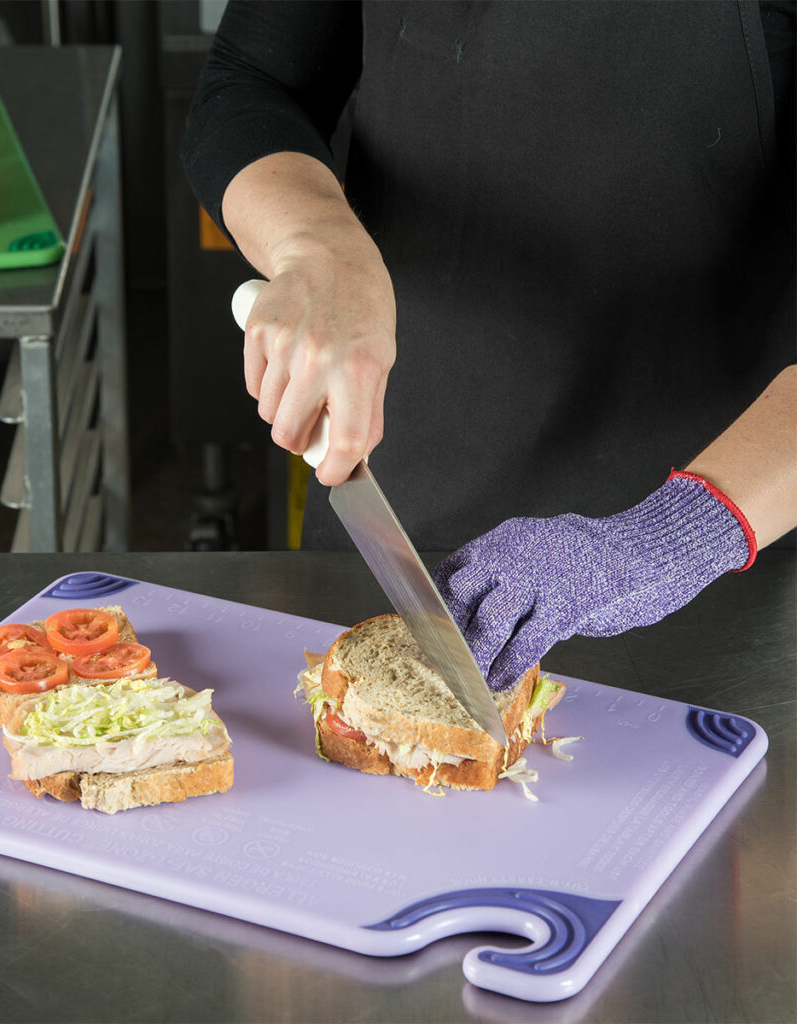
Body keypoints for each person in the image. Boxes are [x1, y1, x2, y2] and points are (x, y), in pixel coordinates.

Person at [181, 1, 796, 683]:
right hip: (400, 501)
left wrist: (671, 540)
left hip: (730, 539)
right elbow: (253, 80)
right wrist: (315, 245)